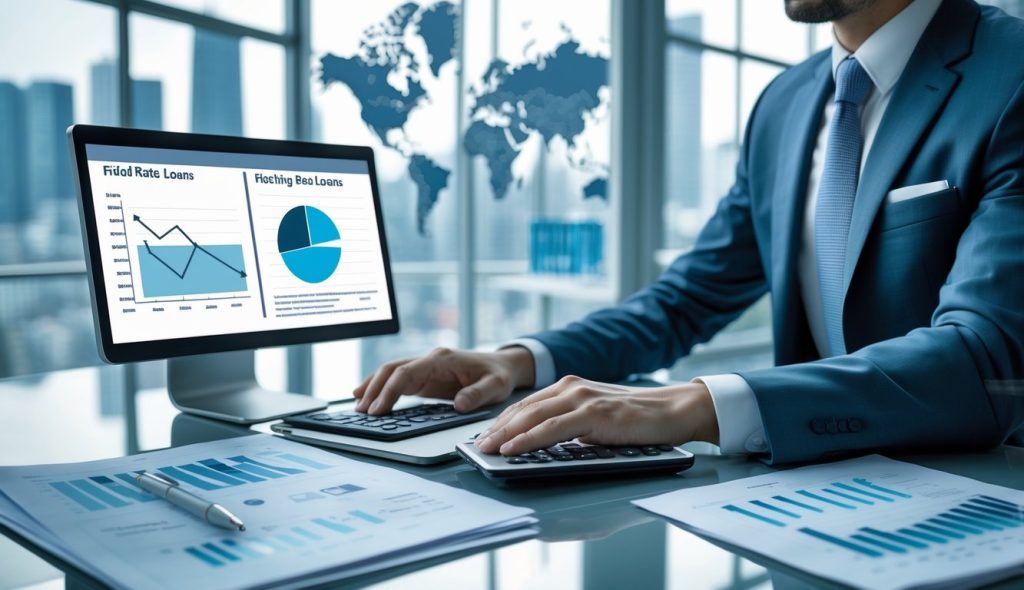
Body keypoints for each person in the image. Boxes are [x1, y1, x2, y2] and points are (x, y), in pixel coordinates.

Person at [354, 0, 1024, 464]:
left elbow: (986, 359)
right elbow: (687, 299)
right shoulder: (783, 106)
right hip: (820, 488)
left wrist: (701, 403)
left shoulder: (1011, 72)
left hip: (985, 489)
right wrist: (519, 360)